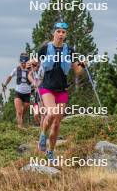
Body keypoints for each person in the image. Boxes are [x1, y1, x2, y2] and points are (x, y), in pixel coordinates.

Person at [37, 21, 85, 162]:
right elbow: (35, 63)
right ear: (54, 33)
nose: (61, 34)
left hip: (62, 90)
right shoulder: (45, 48)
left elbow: (77, 71)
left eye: (63, 32)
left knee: (57, 124)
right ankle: (42, 135)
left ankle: (51, 152)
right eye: (58, 31)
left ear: (66, 34)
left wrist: (83, 64)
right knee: (51, 113)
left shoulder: (69, 50)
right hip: (47, 88)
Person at [2, 53, 32, 129]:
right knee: (19, 111)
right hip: (18, 93)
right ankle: (20, 127)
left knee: (23, 112)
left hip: (27, 94)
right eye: (21, 63)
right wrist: (5, 85)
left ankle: (19, 122)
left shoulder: (31, 70)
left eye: (24, 63)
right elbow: (10, 77)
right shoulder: (16, 69)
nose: (23, 64)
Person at [28, 60, 44, 127]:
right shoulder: (33, 71)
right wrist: (33, 82)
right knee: (36, 115)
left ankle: (43, 128)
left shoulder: (42, 69)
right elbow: (29, 75)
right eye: (33, 65)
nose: (33, 67)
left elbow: (42, 79)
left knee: (43, 113)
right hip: (37, 95)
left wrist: (38, 84)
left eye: (35, 65)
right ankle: (40, 125)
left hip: (43, 93)